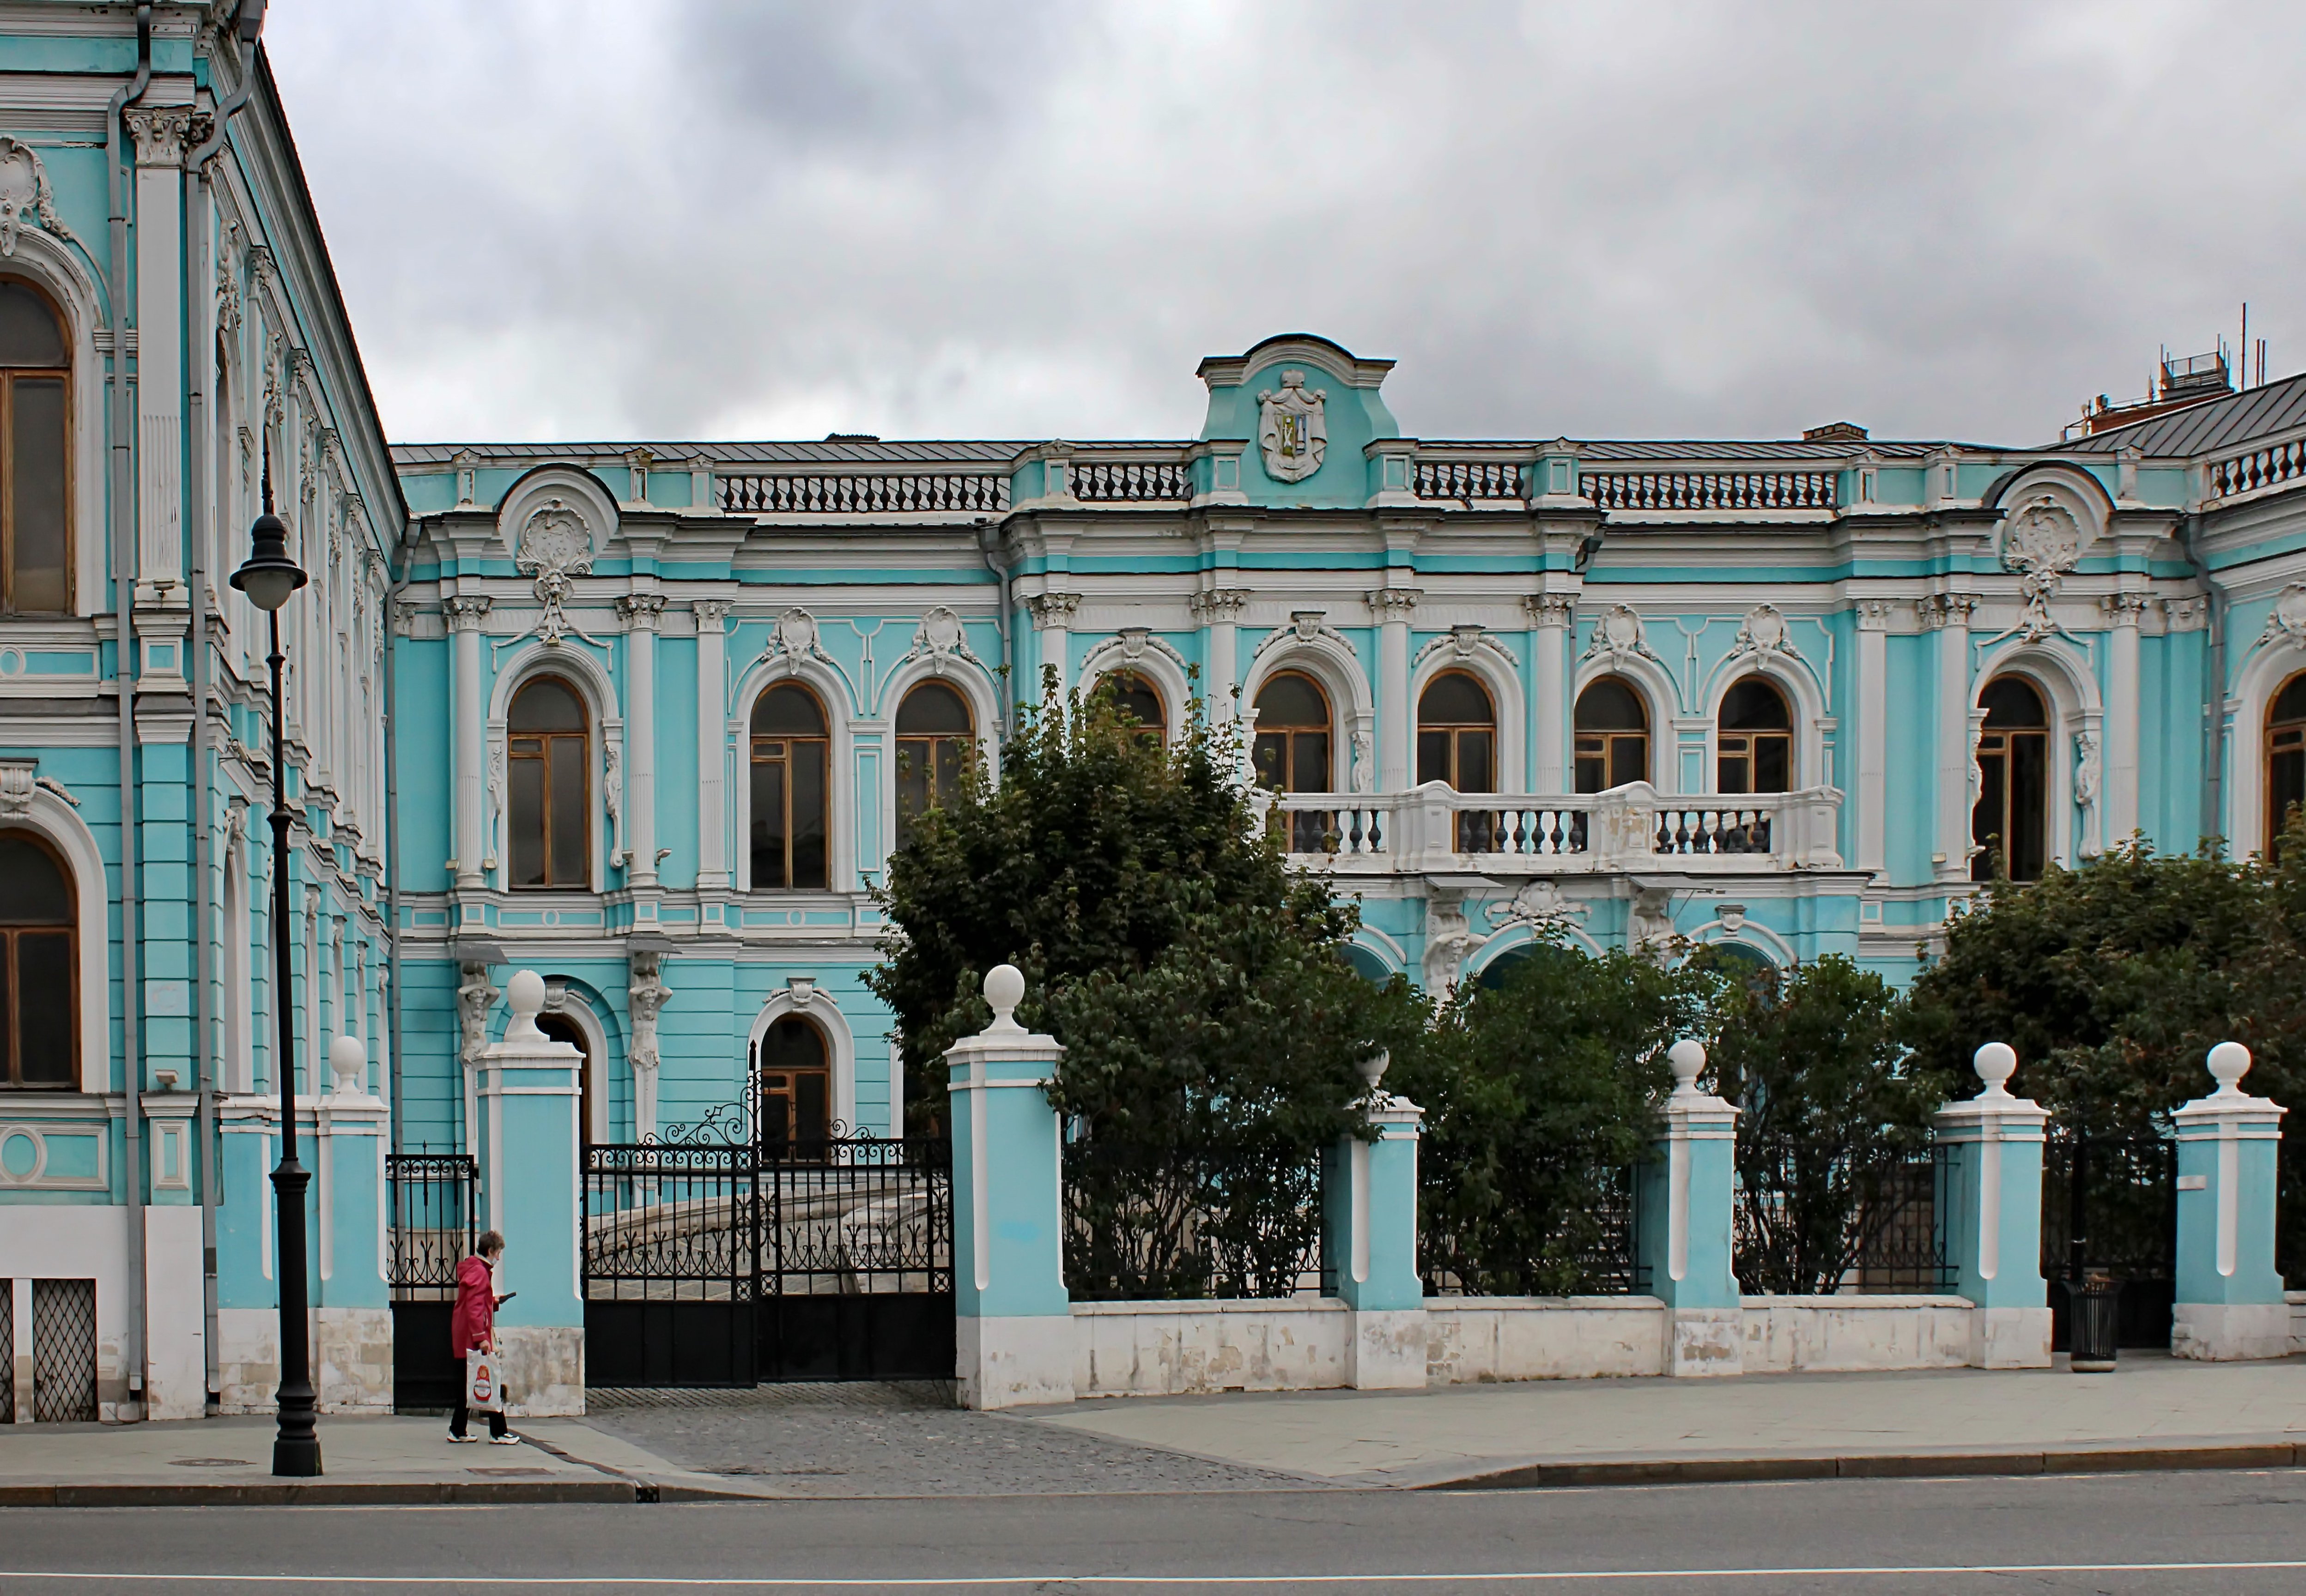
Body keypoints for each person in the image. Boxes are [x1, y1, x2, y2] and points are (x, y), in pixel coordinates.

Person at [449, 1229, 518, 1444]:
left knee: (468, 1384)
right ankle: (498, 1432)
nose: (498, 1258)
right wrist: (482, 1338)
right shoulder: (480, 1272)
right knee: (489, 1381)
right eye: (498, 1254)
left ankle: (457, 1430)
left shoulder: (475, 1269)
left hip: (465, 1336)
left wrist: (494, 1302)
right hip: (473, 1338)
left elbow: (476, 1303)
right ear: (490, 1251)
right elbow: (474, 1308)